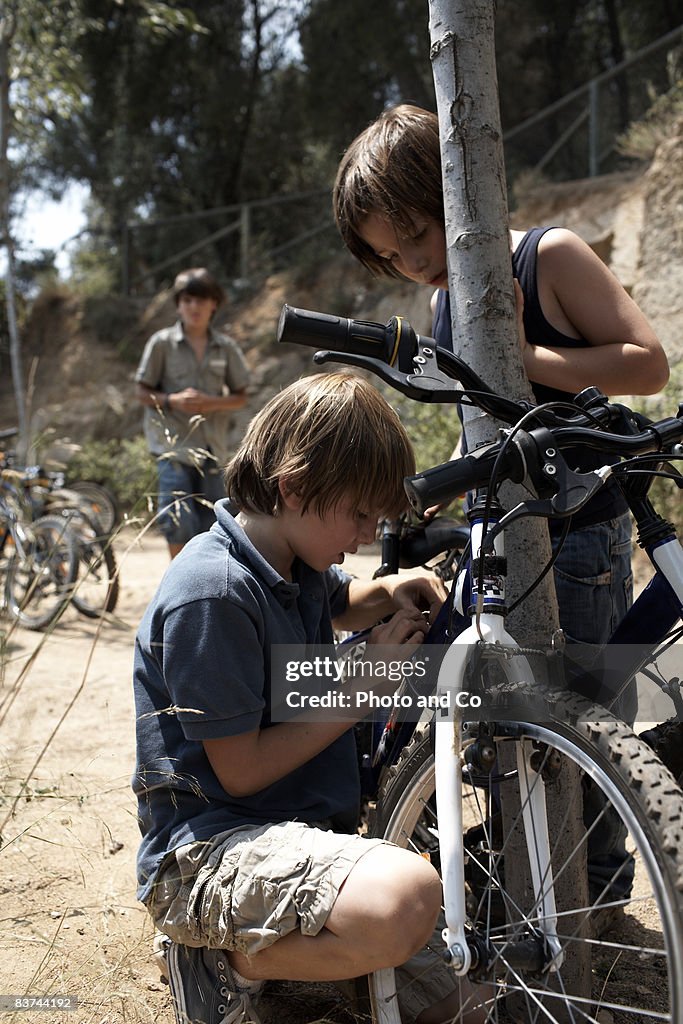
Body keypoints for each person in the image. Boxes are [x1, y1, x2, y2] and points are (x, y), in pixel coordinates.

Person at [333, 103, 670, 921]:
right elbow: (480, 424)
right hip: (499, 547)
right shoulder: (447, 301)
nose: (414, 262)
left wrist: (521, 355)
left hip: (578, 536)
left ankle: (598, 900)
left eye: (417, 234)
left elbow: (646, 363)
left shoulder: (542, 257)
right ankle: (527, 894)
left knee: (588, 722)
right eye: (390, 255)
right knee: (508, 723)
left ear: (456, 190)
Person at [133, 371, 486, 1024]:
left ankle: (300, 956)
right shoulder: (211, 592)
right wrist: (362, 687)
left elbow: (339, 599)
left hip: (294, 841)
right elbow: (240, 772)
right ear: (292, 488)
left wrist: (391, 589)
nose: (360, 539)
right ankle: (214, 959)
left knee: (470, 1010)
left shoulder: (291, 563)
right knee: (404, 898)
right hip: (206, 857)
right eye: (357, 516)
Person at [135, 267, 250, 559]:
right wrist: (172, 400)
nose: (194, 307)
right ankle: (181, 580)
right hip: (172, 449)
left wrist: (211, 402)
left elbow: (241, 397)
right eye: (187, 300)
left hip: (212, 449)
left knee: (213, 522)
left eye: (201, 300)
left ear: (214, 304)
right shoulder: (161, 343)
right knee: (177, 520)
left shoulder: (226, 348)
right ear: (178, 304)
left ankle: (206, 583)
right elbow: (141, 392)